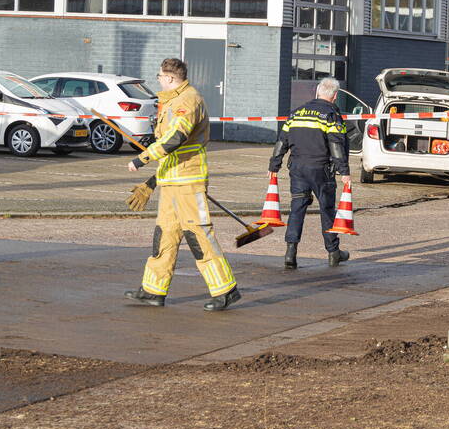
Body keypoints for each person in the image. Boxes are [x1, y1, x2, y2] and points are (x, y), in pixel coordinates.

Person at [123, 58, 241, 312]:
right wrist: (152, 182)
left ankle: (226, 290)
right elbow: (172, 151)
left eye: (159, 77)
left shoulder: (188, 100)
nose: (158, 81)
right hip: (172, 182)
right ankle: (153, 290)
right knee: (164, 237)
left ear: (169, 78)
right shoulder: (172, 100)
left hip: (189, 183)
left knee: (199, 236)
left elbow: (176, 137)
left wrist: (142, 159)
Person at [268, 77, 351, 269]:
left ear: (317, 92)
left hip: (297, 169)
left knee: (297, 208)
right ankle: (333, 252)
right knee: (327, 209)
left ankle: (290, 252)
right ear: (335, 96)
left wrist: (274, 166)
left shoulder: (297, 113)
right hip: (321, 170)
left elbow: (282, 140)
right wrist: (344, 171)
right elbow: (336, 145)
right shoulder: (330, 115)